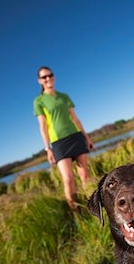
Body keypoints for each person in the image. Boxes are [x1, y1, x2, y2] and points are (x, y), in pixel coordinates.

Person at [33, 66, 94, 208]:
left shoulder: (64, 96)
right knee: (68, 179)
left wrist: (87, 137)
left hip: (75, 136)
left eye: (50, 75)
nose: (48, 78)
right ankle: (75, 210)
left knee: (85, 175)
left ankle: (91, 206)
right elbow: (43, 126)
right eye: (44, 77)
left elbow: (75, 119)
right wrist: (48, 149)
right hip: (59, 142)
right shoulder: (39, 101)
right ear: (39, 81)